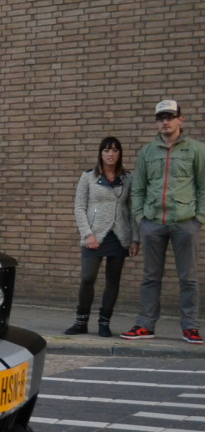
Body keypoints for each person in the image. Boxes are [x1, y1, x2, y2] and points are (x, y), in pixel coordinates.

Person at [123, 100, 205, 343]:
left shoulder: (196, 150)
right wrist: (141, 219)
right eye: (160, 118)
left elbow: (203, 187)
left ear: (181, 119)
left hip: (185, 223)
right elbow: (138, 189)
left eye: (170, 116)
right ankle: (145, 325)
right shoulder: (147, 152)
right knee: (150, 277)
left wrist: (198, 219)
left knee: (188, 278)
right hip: (153, 223)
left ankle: (190, 327)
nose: (165, 122)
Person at [65, 138, 139, 337]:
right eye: (106, 150)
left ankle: (104, 323)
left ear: (119, 154)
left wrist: (135, 239)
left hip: (119, 235)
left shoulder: (128, 178)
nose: (110, 154)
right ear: (101, 153)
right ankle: (80, 322)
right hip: (94, 234)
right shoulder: (88, 177)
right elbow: (79, 207)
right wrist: (87, 234)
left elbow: (132, 210)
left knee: (112, 281)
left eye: (115, 150)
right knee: (88, 278)